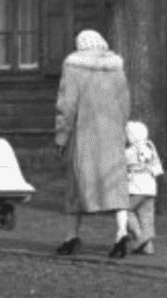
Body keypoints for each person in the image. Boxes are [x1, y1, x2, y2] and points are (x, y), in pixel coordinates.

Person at [54, 29, 131, 258]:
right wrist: (121, 129)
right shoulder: (116, 69)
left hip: (84, 135)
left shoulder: (73, 68)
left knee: (76, 187)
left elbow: (67, 106)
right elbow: (125, 104)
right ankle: (121, 233)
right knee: (116, 186)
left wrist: (61, 136)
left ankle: (71, 236)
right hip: (112, 133)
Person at [124, 120, 164, 255]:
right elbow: (158, 168)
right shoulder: (151, 148)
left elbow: (120, 168)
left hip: (137, 188)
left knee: (126, 212)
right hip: (151, 186)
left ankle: (141, 236)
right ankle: (148, 246)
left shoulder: (129, 152)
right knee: (146, 215)